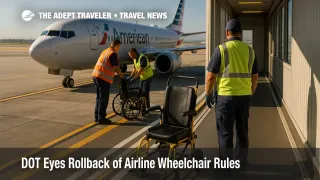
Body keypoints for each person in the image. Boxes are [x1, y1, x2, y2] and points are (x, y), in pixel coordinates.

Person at [205, 19, 259, 170]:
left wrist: (208, 93)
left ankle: (226, 166)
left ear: (227, 32)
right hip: (244, 98)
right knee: (242, 132)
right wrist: (250, 92)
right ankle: (241, 163)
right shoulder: (250, 51)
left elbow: (210, 76)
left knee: (225, 134)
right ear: (240, 33)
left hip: (225, 98)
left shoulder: (221, 49)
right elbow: (255, 77)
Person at [92, 40, 124, 124]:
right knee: (104, 98)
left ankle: (97, 116)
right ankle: (101, 118)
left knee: (99, 97)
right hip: (103, 77)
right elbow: (116, 67)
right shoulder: (113, 53)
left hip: (96, 75)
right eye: (119, 47)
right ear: (117, 46)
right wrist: (122, 77)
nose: (119, 48)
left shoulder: (105, 51)